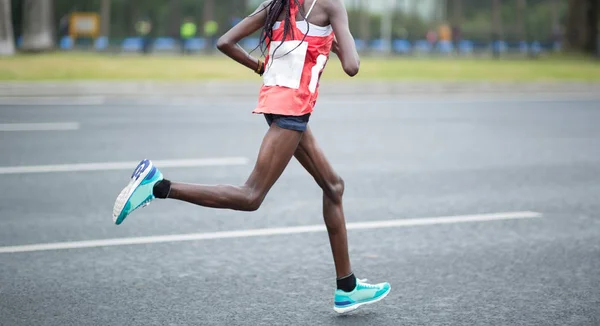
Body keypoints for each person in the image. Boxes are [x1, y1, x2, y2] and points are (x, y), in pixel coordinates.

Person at [112, 0, 391, 314]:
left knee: (334, 187)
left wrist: (260, 67)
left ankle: (347, 287)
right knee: (251, 196)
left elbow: (225, 42)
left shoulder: (276, 4)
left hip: (279, 104)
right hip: (291, 111)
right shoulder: (332, 5)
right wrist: (341, 46)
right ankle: (158, 185)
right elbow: (353, 67)